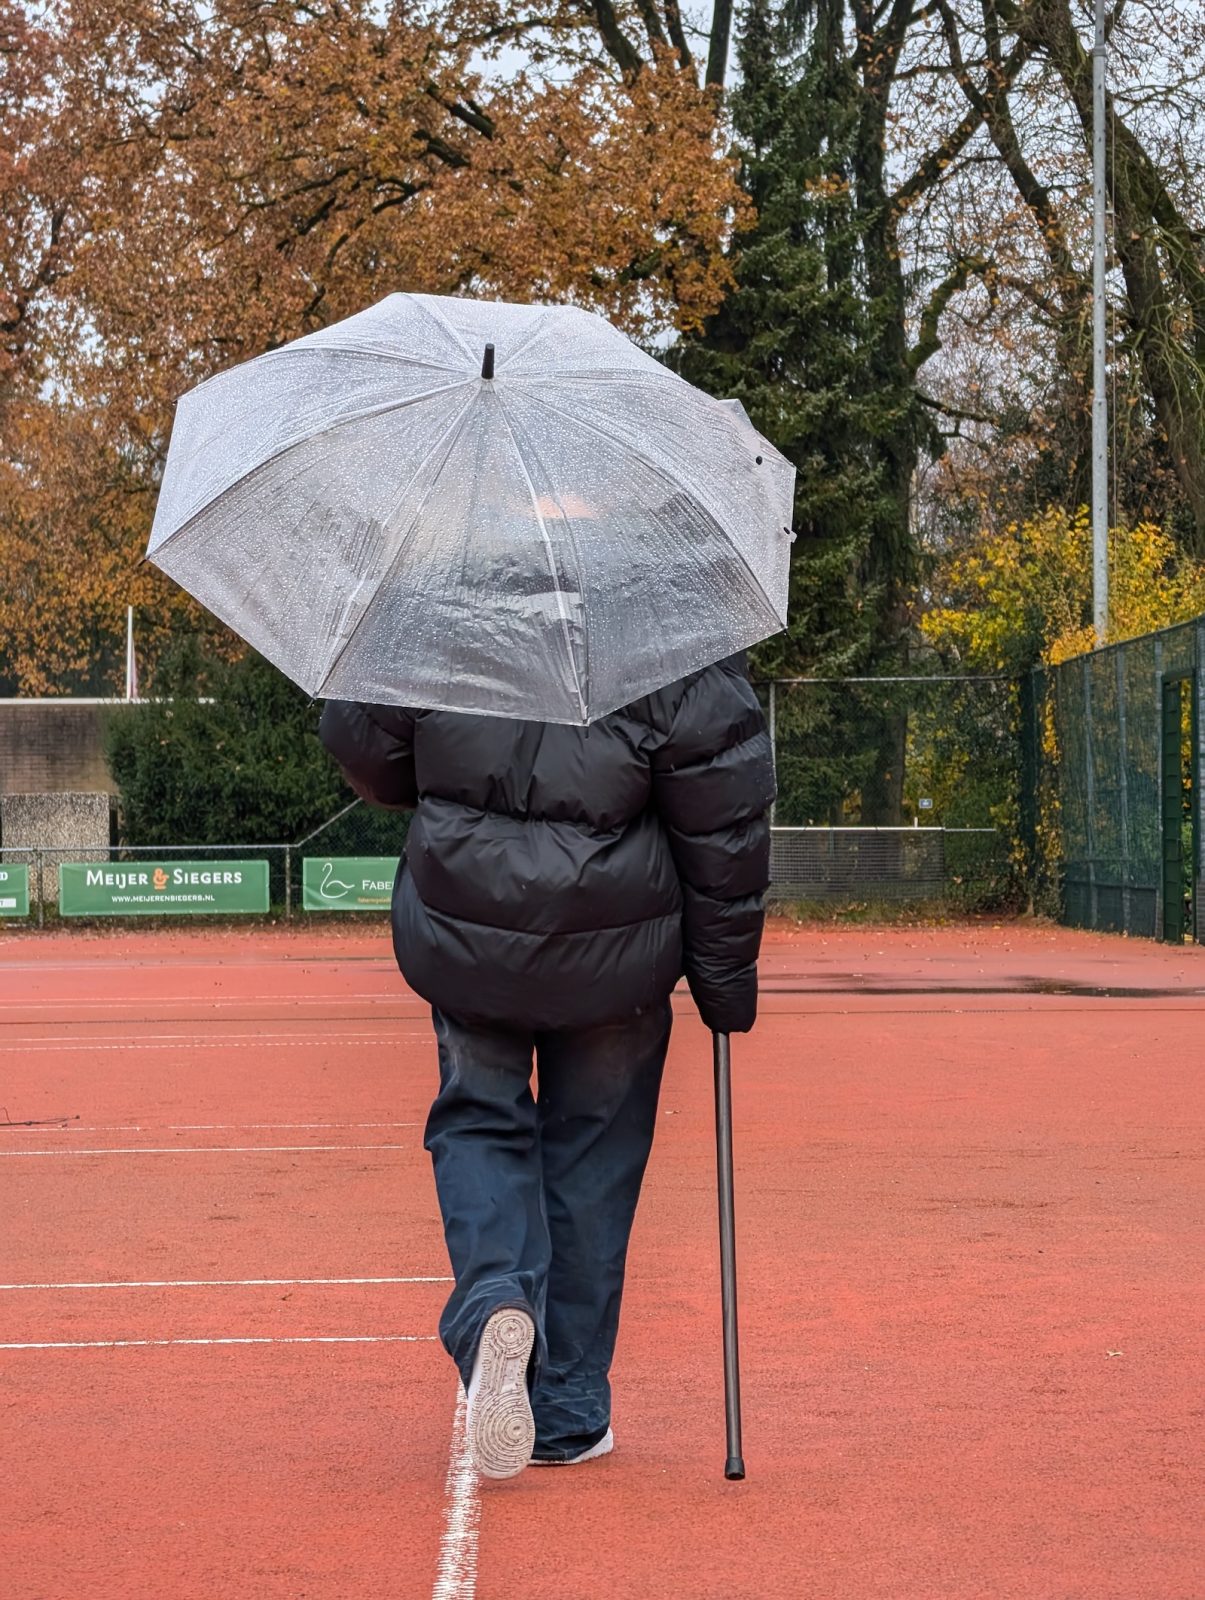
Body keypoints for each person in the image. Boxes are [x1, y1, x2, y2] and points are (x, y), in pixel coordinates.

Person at [319, 653, 774, 1479]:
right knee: (593, 1166)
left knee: (478, 1120)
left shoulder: (440, 607)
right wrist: (724, 981)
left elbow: (367, 751)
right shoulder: (671, 628)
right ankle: (565, 1409)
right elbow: (725, 823)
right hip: (618, 950)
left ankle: (495, 1297)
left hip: (468, 926)